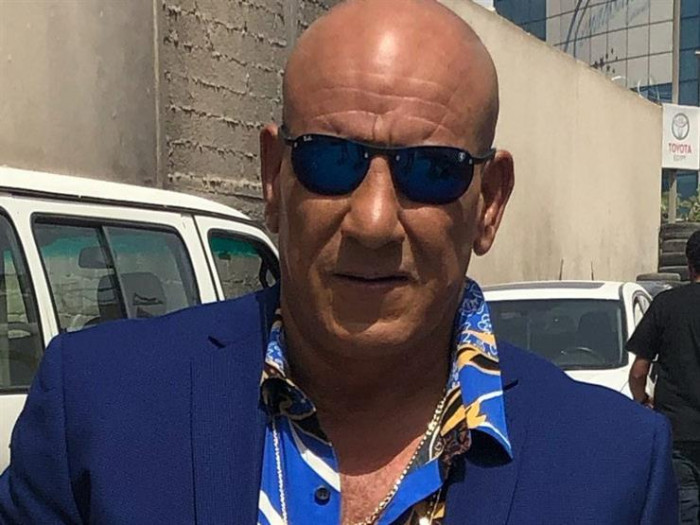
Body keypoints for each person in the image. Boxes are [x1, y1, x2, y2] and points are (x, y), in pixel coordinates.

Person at [0, 1, 677, 523]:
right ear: (273, 177)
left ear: (490, 202)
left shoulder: (612, 469)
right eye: (330, 159)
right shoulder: (97, 411)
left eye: (431, 170)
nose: (373, 221)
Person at [628, 229, 700, 524]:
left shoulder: (666, 305)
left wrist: (642, 400)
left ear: (689, 265)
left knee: (684, 507)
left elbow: (638, 371)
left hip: (677, 430)